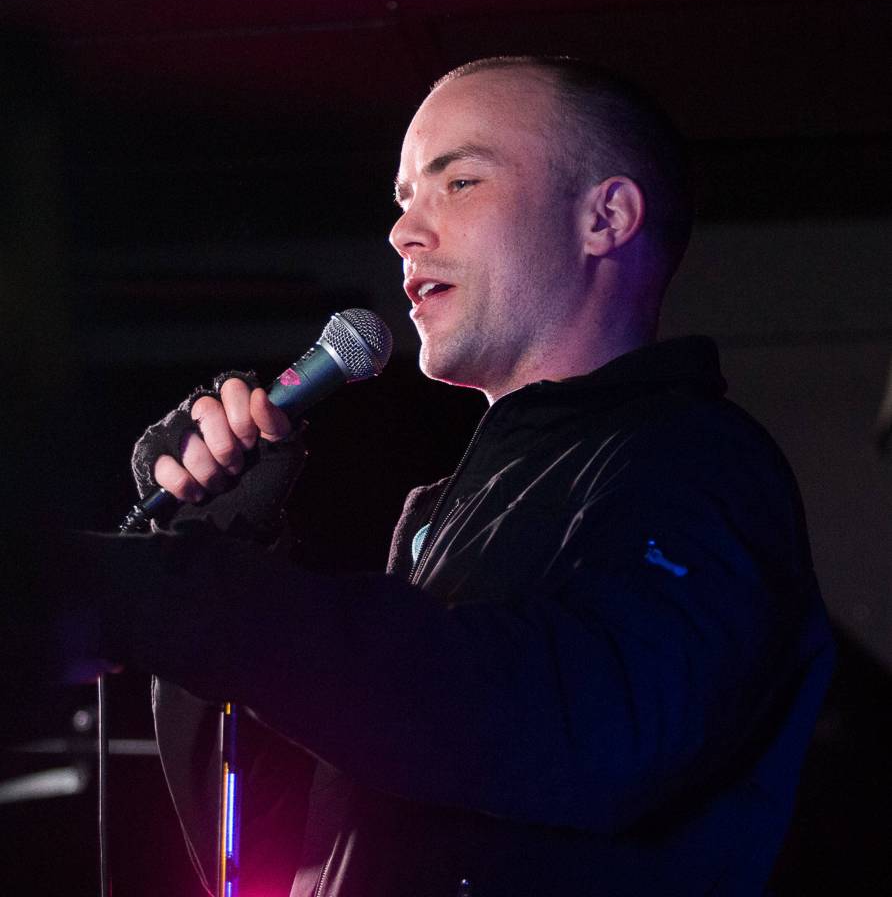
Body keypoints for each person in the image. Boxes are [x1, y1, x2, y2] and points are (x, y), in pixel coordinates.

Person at [77, 57, 834, 895]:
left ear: (606, 217)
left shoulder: (697, 461)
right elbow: (286, 855)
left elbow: (582, 731)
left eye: (459, 182)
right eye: (404, 199)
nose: (404, 232)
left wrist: (179, 591)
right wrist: (221, 536)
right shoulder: (448, 515)